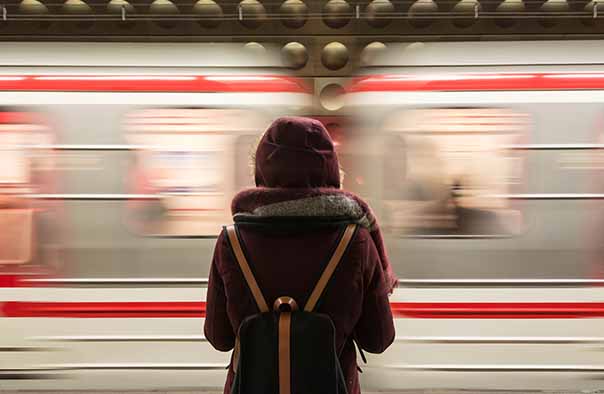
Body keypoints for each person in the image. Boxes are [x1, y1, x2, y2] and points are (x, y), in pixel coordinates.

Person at [204, 116, 396, 394]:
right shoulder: (356, 241)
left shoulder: (231, 242)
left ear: (262, 169)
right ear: (330, 169)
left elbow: (218, 337)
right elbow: (379, 339)